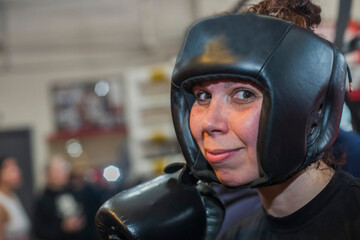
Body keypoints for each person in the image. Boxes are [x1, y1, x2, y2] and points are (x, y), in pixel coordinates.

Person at [169, 0, 360, 239]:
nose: (209, 123)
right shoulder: (235, 235)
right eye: (203, 96)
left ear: (307, 107)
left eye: (244, 94)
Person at [33, 155, 87, 240]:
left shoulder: (74, 192)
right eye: (59, 171)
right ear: (49, 174)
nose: (64, 174)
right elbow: (39, 231)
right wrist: (62, 228)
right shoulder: (42, 201)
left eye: (65, 170)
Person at [0, 156, 30, 240]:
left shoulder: (12, 196)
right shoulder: (1, 203)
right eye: (12, 170)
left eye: (17, 168)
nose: (19, 172)